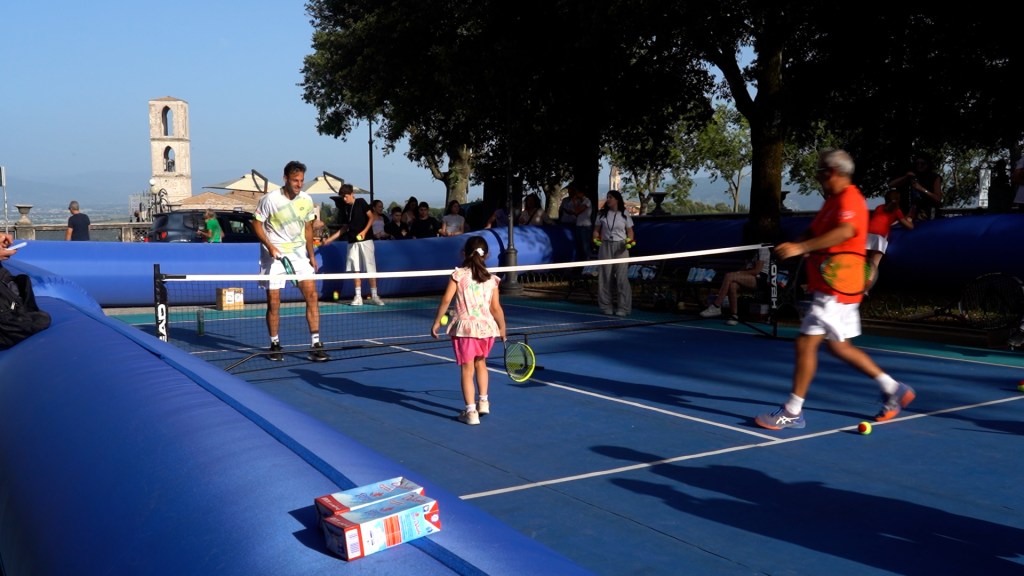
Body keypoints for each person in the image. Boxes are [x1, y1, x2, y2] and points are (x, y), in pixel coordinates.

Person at [755, 149, 914, 430]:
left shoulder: (851, 198)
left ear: (832, 172)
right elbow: (815, 232)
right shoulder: (833, 202)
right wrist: (795, 244)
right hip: (832, 285)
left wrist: (802, 248)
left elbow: (847, 230)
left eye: (819, 172)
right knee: (839, 347)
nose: (817, 178)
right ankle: (893, 388)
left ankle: (792, 411)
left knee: (807, 343)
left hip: (837, 285)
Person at [253, 160, 329, 363]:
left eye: (301, 180)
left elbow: (308, 228)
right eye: (295, 180)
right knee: (274, 302)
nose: (299, 184)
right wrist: (270, 247)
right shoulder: (269, 200)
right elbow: (257, 225)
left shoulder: (306, 199)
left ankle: (315, 344)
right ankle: (275, 343)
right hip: (274, 256)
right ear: (285, 178)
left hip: (299, 256)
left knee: (312, 295)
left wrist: (311, 256)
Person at [431, 235, 507, 426]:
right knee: (481, 364)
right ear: (486, 255)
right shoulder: (491, 279)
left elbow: (446, 300)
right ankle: (484, 402)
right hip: (487, 329)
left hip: (466, 330)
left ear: (464, 253)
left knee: (467, 370)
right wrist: (503, 327)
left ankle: (471, 412)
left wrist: (437, 322)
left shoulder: (458, 275)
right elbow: (496, 308)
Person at [322, 183, 385, 306]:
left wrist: (364, 232)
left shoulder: (361, 202)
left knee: (370, 268)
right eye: (343, 197)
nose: (344, 199)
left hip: (366, 241)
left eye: (346, 196)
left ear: (352, 194)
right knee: (355, 269)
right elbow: (345, 228)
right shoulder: (345, 209)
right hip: (352, 242)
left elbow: (372, 217)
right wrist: (330, 239)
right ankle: (357, 297)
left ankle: (374, 296)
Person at [699, 244, 771, 325]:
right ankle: (734, 315)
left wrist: (737, 273)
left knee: (729, 276)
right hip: (748, 276)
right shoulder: (750, 250)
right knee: (732, 284)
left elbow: (756, 271)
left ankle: (716, 306)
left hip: (760, 278)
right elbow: (746, 267)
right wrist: (738, 274)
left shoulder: (763, 249)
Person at [592, 189, 634, 317]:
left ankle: (624, 308)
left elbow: (630, 231)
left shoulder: (625, 214)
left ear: (617, 199)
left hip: (621, 246)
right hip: (605, 245)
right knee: (605, 276)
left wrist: (629, 241)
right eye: (607, 197)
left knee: (621, 277)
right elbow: (596, 230)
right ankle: (606, 306)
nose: (608, 199)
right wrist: (595, 239)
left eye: (610, 197)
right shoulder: (601, 214)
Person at [866, 188, 914, 289]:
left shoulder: (879, 207)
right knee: (874, 264)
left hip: (867, 235)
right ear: (898, 200)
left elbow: (882, 220)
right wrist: (909, 218)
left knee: (862, 260)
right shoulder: (897, 211)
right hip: (879, 237)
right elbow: (909, 227)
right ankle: (866, 289)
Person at [889, 154, 942, 221]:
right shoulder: (914, 176)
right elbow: (891, 185)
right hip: (915, 211)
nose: (919, 166)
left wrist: (921, 189)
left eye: (922, 164)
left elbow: (938, 199)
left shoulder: (935, 177)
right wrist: (906, 177)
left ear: (928, 164)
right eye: (917, 163)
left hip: (930, 211)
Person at [559, 183, 593, 260]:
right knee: (579, 246)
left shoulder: (587, 201)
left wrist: (574, 202)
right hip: (579, 225)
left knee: (585, 246)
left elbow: (577, 211)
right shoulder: (580, 201)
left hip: (585, 226)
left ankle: (588, 263)